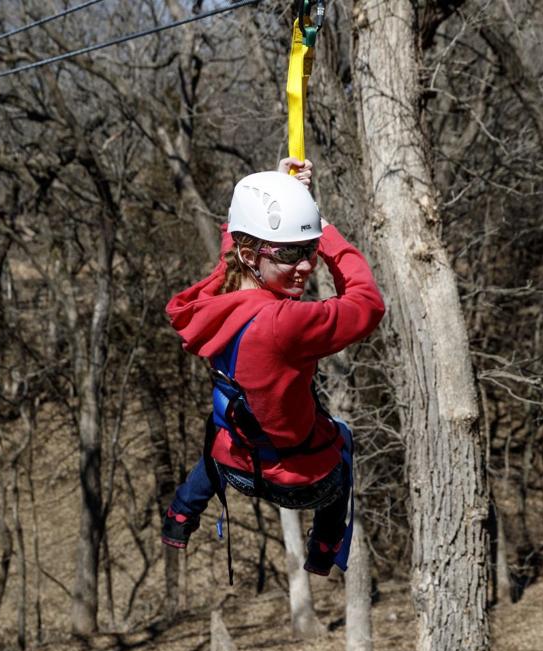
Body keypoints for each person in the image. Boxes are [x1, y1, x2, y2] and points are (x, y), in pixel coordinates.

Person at [161, 159, 385, 575]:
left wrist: (286, 196)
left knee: (223, 426)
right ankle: (323, 552)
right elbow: (368, 305)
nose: (306, 265)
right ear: (252, 254)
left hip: (238, 466)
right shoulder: (284, 324)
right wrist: (326, 230)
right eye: (291, 254)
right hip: (301, 484)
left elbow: (236, 243)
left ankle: (179, 516)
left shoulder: (215, 296)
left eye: (312, 251)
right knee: (342, 437)